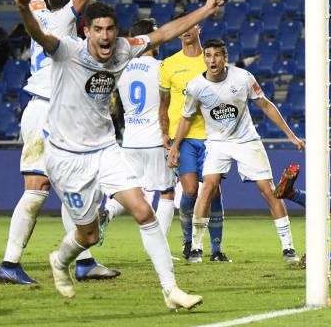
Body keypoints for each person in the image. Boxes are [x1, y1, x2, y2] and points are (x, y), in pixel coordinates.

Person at [12, 0, 224, 308]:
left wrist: (206, 11)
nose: (106, 36)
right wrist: (24, 9)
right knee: (89, 235)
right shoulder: (67, 51)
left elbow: (164, 33)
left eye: (110, 28)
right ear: (85, 32)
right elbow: (40, 35)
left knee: (142, 209)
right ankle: (60, 260)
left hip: (106, 149)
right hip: (66, 157)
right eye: (98, 29)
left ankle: (171, 291)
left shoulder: (124, 49)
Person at [0, 0, 121, 286]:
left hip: (48, 109)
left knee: (74, 187)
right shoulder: (66, 19)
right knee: (36, 189)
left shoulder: (39, 12)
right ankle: (9, 261)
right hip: (48, 109)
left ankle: (84, 261)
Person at [167, 39, 304, 264]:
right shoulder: (195, 87)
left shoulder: (243, 78)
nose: (213, 60)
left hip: (246, 140)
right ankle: (197, 249)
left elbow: (267, 105)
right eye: (208, 55)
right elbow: (186, 118)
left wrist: (291, 136)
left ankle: (288, 248)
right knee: (208, 187)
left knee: (268, 190)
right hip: (217, 142)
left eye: (217, 55)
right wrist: (175, 146)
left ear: (225, 58)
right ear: (204, 59)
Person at [159, 19, 213, 259]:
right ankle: (187, 242)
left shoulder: (211, 59)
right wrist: (164, 133)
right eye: (181, 28)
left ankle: (216, 249)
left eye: (190, 26)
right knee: (190, 189)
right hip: (182, 136)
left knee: (214, 191)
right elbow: (164, 104)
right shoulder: (169, 64)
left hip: (211, 136)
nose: (185, 31)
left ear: (198, 28)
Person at [116, 18, 175, 236]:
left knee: (129, 190)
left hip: (130, 141)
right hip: (155, 140)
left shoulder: (121, 68)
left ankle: (108, 213)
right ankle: (160, 243)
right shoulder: (162, 68)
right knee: (167, 192)